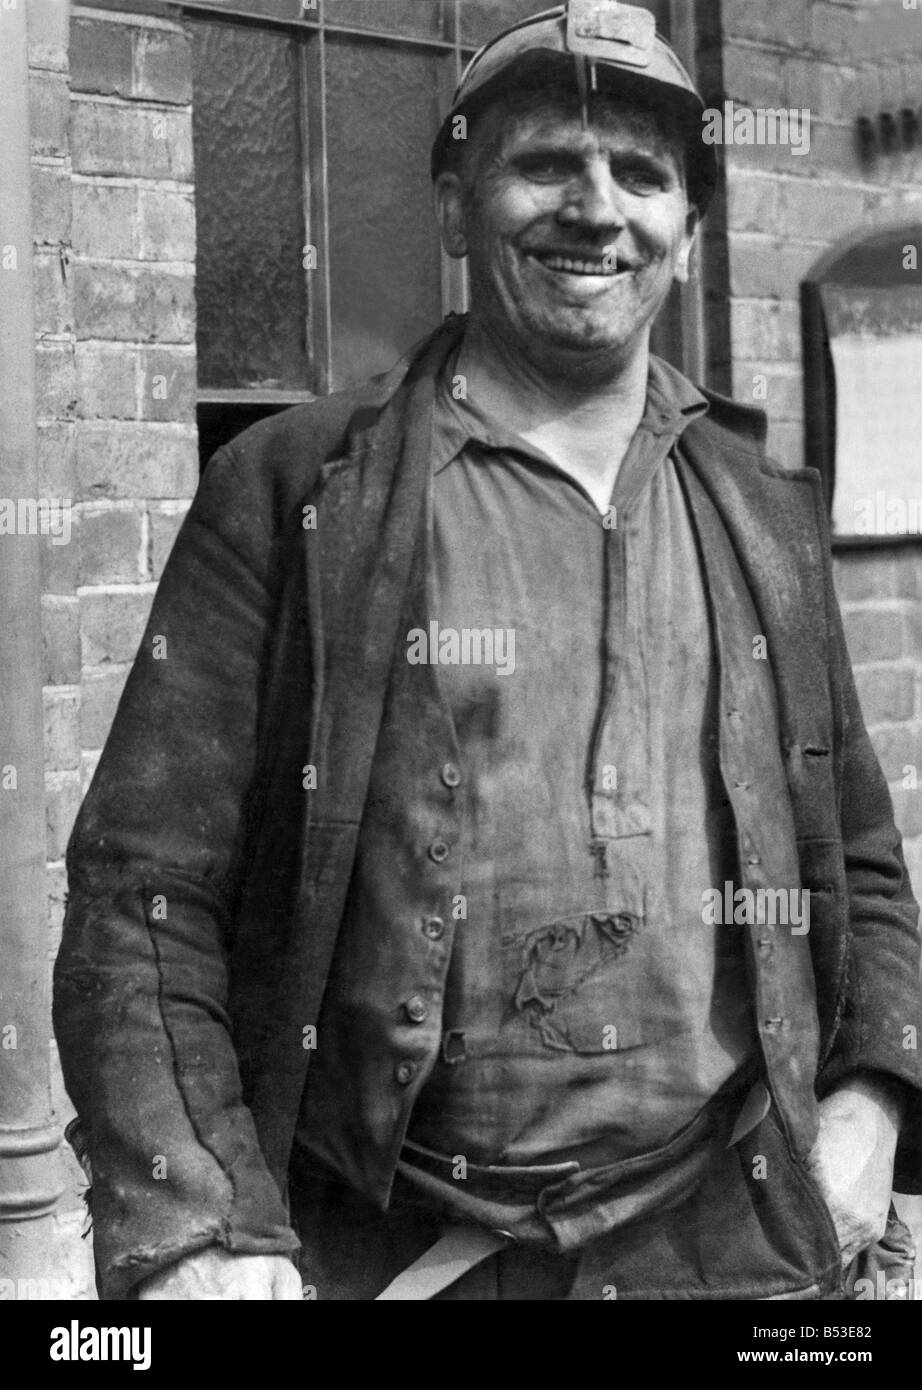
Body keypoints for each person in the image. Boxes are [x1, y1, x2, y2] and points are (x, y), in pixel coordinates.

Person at [53, 1, 922, 1301]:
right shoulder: (295, 491)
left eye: (640, 175)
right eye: (543, 164)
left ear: (686, 233)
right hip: (404, 1248)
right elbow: (145, 890)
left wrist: (866, 1105)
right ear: (459, 201)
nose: (595, 206)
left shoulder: (754, 505)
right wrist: (199, 1224)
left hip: (732, 1238)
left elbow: (850, 851)